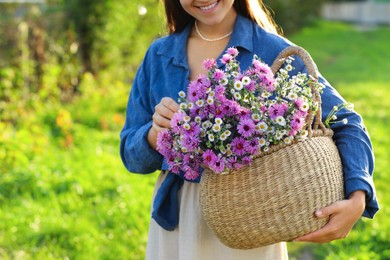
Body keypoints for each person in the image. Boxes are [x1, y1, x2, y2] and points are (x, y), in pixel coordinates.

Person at [120, 0, 379, 259]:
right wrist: (155, 136)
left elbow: (346, 120)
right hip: (178, 220)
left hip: (254, 214)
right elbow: (130, 153)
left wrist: (358, 196)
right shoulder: (159, 56)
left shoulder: (272, 50)